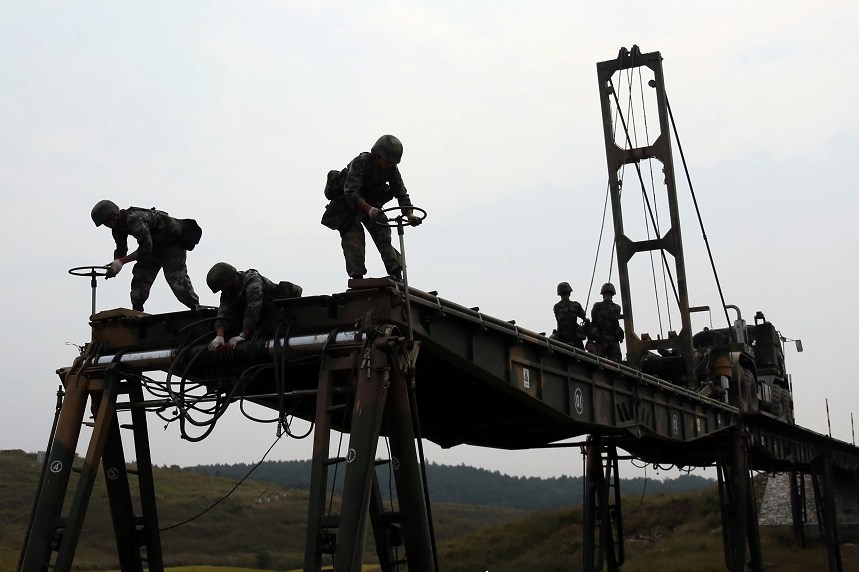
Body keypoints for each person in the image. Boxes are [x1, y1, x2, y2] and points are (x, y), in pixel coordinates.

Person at [321, 134, 421, 280]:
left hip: (371, 203)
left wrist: (409, 214)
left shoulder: (391, 169)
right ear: (378, 155)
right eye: (387, 161)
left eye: (392, 162)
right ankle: (357, 278)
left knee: (383, 233)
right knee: (353, 239)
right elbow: (350, 192)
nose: (389, 164)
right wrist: (369, 209)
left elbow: (401, 192)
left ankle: (395, 271)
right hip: (348, 206)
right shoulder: (361, 162)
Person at [91, 200, 202, 312]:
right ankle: (137, 312)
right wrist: (115, 265)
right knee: (140, 277)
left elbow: (145, 248)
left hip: (172, 245)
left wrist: (121, 262)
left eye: (105, 222)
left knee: (176, 279)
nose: (106, 226)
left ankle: (196, 309)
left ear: (113, 217)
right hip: (154, 247)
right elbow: (121, 249)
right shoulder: (117, 229)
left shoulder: (134, 219)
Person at [205, 262, 303, 350]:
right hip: (254, 320)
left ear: (233, 279)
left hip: (273, 314)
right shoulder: (229, 291)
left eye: (225, 287)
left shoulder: (252, 281)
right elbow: (223, 311)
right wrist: (219, 337)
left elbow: (253, 308)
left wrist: (242, 336)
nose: (225, 291)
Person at [589, 282, 624, 361]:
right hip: (607, 340)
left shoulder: (597, 306)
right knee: (616, 364)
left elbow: (593, 321)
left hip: (604, 340)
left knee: (599, 362)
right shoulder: (617, 307)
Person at [553, 282, 586, 349]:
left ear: (560, 293)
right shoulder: (576, 305)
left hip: (562, 338)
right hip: (575, 337)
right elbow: (584, 318)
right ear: (569, 292)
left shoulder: (557, 307)